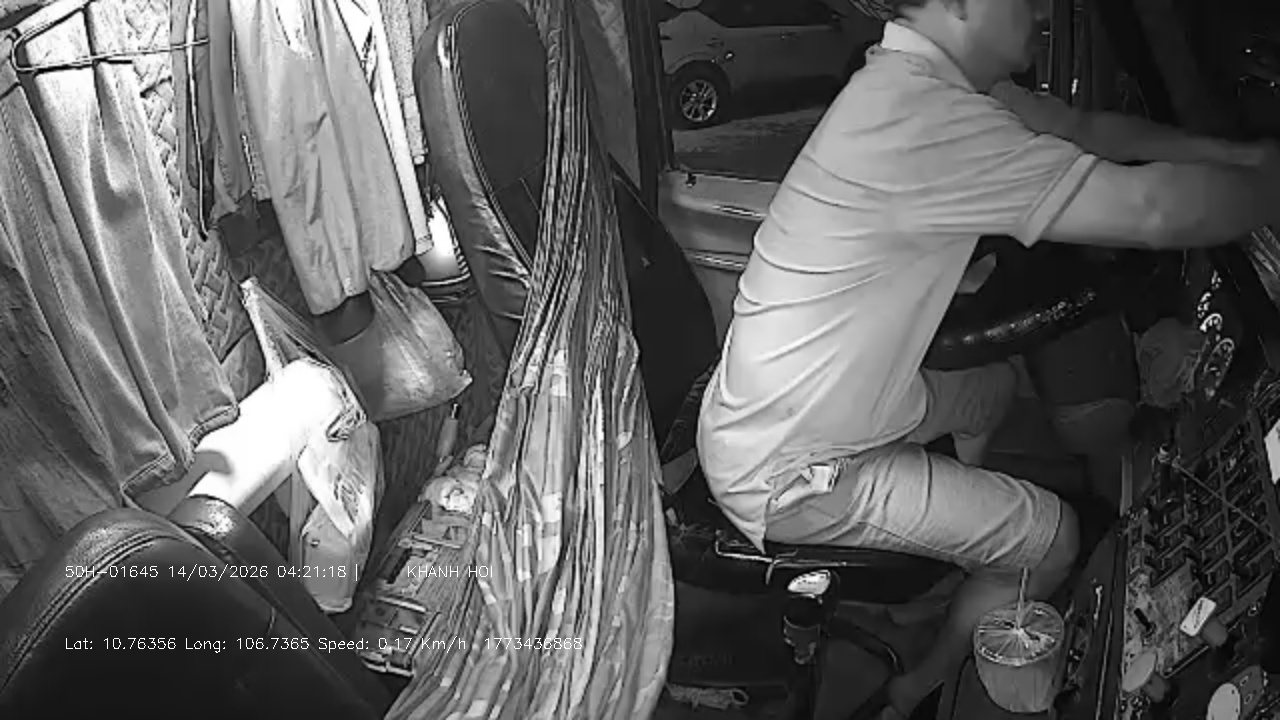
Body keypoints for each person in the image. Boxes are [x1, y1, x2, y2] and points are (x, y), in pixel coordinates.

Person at [695, 0, 1280, 717]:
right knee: (1053, 539)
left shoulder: (921, 84)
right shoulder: (924, 121)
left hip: (785, 410)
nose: (1039, 11)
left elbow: (1086, 132)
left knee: (992, 389)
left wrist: (1237, 156)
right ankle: (913, 688)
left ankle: (952, 554)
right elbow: (1153, 210)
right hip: (794, 470)